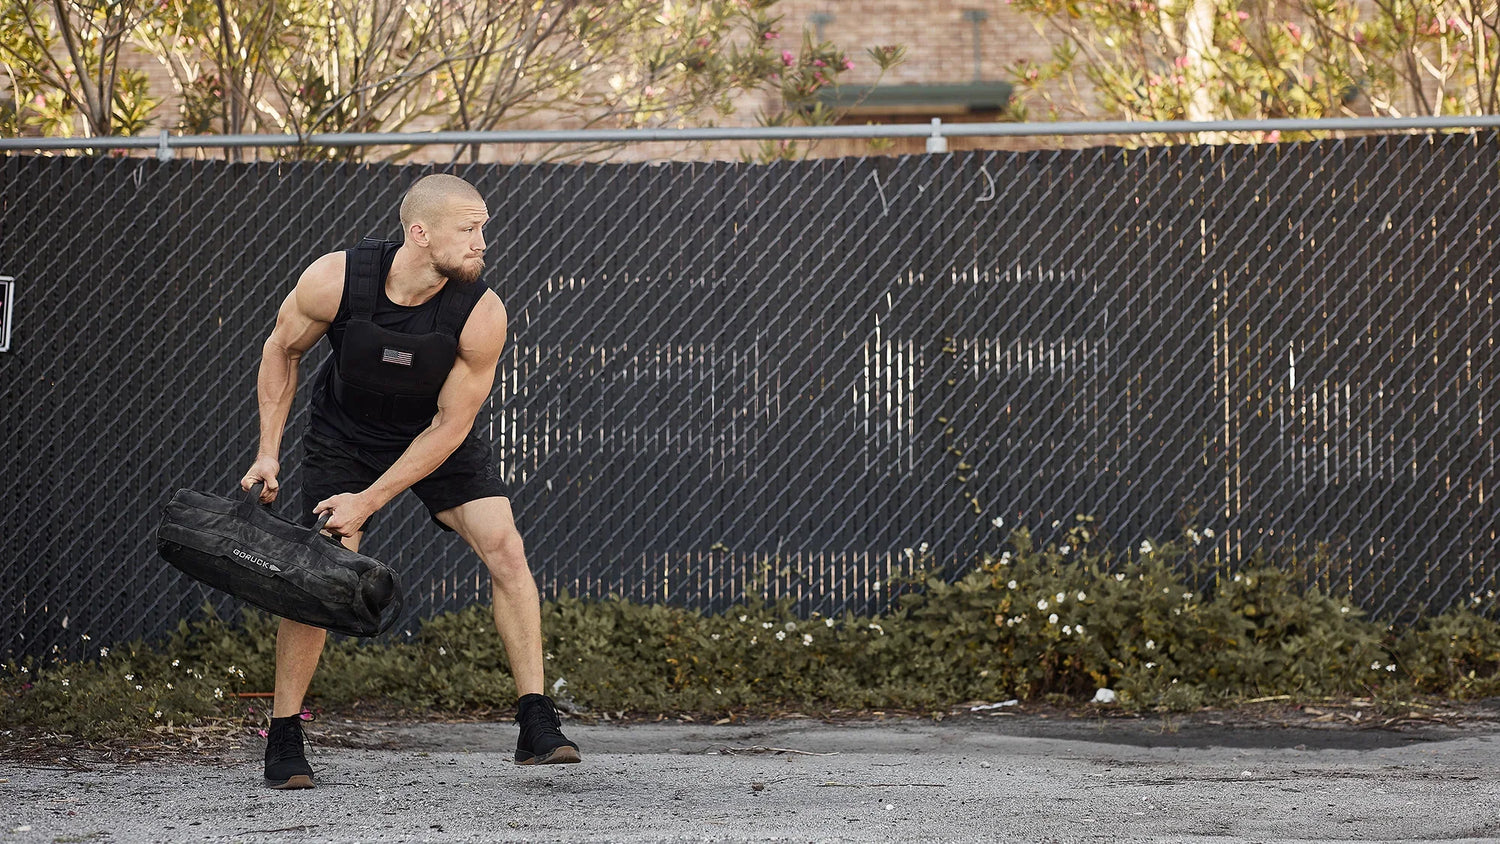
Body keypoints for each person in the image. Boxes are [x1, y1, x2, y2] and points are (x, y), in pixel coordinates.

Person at [240, 173, 580, 789]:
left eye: (484, 228)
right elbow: (280, 350)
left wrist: (370, 500)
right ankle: (285, 734)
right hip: (343, 436)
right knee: (324, 568)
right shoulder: (336, 279)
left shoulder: (480, 311)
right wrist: (268, 453)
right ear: (420, 234)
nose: (484, 242)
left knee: (505, 547)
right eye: (469, 229)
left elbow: (452, 425)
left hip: (432, 437)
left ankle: (536, 720)